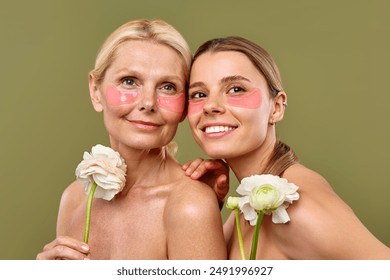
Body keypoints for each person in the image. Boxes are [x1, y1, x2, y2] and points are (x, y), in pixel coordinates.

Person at [183, 36, 390, 259]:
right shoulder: (247, 206)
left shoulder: (298, 210)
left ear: (277, 108)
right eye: (199, 94)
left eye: (235, 89)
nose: (211, 106)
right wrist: (206, 210)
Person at [36, 19, 226, 260]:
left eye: (168, 87)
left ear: (185, 105)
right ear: (96, 91)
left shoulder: (190, 206)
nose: (148, 102)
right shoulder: (74, 197)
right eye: (129, 82)